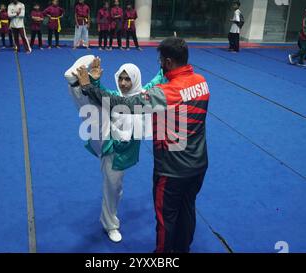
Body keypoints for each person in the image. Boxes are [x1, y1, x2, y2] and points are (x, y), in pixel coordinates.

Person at [73, 37, 210, 253]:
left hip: (173, 168)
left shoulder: (166, 92)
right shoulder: (201, 82)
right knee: (187, 209)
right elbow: (157, 82)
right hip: (199, 163)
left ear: (167, 61)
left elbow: (123, 103)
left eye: (161, 61)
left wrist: (89, 86)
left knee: (166, 218)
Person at [65, 55, 167, 243]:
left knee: (116, 188)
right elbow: (99, 92)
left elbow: (157, 81)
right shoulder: (113, 95)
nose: (123, 83)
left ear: (135, 79)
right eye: (121, 78)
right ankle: (110, 224)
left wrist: (164, 67)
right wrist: (93, 80)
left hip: (125, 151)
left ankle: (76, 86)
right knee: (94, 107)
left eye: (128, 79)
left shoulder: (143, 96)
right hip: (108, 144)